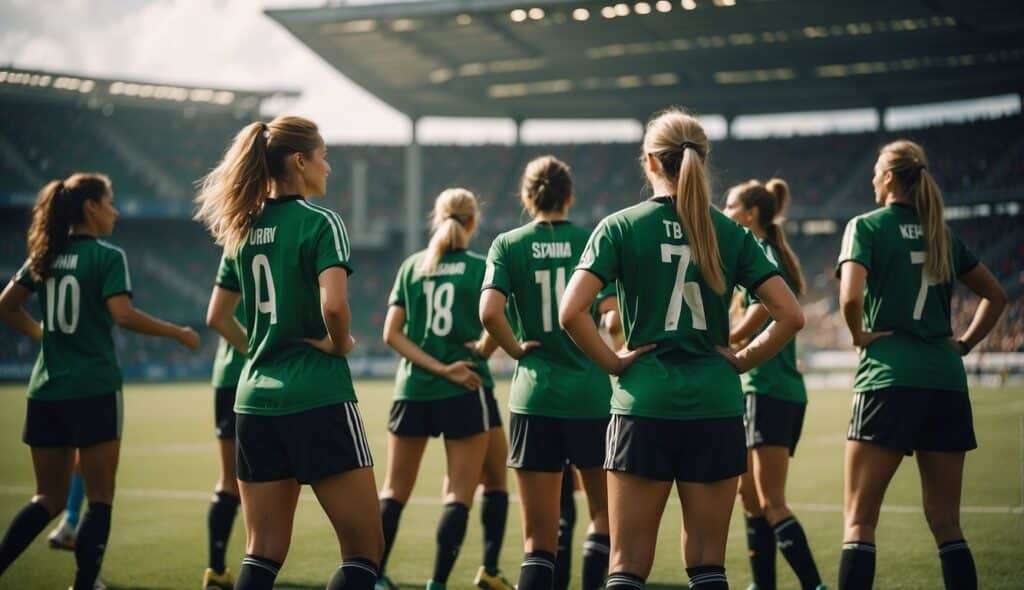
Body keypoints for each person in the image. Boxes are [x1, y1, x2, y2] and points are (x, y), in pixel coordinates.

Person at [558, 107, 804, 590]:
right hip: (715, 406)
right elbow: (791, 315)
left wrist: (614, 362)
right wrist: (743, 358)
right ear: (702, 160)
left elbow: (571, 313)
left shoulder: (619, 226)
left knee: (627, 564)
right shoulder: (730, 232)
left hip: (642, 405)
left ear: (650, 162)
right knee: (708, 563)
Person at [196, 116, 384, 590]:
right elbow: (335, 305)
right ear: (300, 161)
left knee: (261, 551)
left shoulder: (242, 227)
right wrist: (340, 344)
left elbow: (218, 315)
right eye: (323, 156)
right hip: (318, 396)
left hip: (254, 400)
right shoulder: (322, 223)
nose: (329, 166)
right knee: (364, 551)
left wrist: (262, 351)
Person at [0, 173, 200, 590]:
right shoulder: (107, 257)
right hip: (94, 389)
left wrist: (44, 335)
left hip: (47, 390)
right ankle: (86, 584)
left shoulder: (44, 256)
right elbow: (123, 315)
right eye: (109, 202)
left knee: (47, 499)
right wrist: (177, 333)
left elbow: (7, 306)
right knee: (101, 498)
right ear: (91, 207)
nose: (116, 211)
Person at [835, 140, 1006, 590]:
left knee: (859, 521)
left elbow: (851, 296)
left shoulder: (865, 226)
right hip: (945, 380)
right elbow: (997, 296)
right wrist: (964, 344)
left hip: (888, 377)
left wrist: (858, 336)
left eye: (876, 171)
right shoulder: (941, 235)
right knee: (948, 524)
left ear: (889, 178)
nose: (872, 178)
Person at [480, 155, 619, 590]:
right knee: (603, 518)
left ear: (526, 196)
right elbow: (612, 319)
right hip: (590, 396)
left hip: (534, 397)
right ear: (570, 195)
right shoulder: (591, 240)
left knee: (538, 543)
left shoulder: (507, 243)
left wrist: (517, 349)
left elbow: (488, 313)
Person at [379, 188, 506, 590]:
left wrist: (435, 367)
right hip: (464, 390)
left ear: (437, 218)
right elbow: (498, 323)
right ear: (472, 222)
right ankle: (440, 583)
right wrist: (471, 358)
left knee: (394, 491)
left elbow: (391, 334)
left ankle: (373, 577)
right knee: (461, 493)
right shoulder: (481, 267)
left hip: (412, 391)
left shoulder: (412, 266)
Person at [723, 178, 824, 590]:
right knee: (749, 498)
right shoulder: (764, 250)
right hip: (764, 389)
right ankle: (763, 584)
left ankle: (814, 585)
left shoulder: (760, 252)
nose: (724, 212)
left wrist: (728, 338)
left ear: (749, 215)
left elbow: (768, 308)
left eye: (730, 207)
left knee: (770, 501)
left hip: (769, 389)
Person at [202, 303, 247, 589]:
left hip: (227, 374)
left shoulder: (231, 256)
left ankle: (216, 570)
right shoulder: (283, 255)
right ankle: (261, 560)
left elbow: (218, 314)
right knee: (279, 480)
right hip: (263, 372)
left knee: (229, 480)